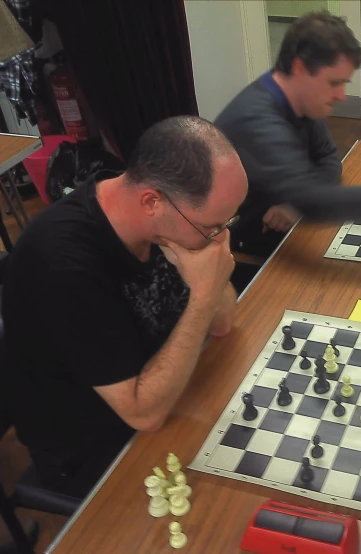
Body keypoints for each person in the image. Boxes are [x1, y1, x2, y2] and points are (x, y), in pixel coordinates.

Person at [0, 116, 247, 498]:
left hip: (168, 392)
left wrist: (209, 282)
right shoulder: (63, 266)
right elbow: (143, 413)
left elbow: (223, 324)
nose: (219, 240)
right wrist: (202, 297)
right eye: (211, 228)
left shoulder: (159, 213)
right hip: (95, 448)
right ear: (151, 201)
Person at [215, 11, 361, 258]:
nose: (341, 95)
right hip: (242, 248)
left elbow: (328, 158)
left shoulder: (300, 99)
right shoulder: (258, 120)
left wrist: (298, 202)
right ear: (300, 68)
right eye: (333, 83)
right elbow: (316, 203)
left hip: (295, 228)